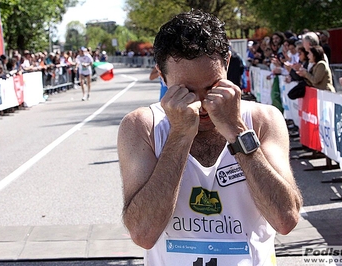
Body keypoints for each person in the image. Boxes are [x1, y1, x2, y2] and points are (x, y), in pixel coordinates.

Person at [118, 9, 302, 266]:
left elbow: (285, 219)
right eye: (186, 91)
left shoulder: (262, 120)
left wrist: (237, 131)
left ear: (227, 63)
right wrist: (180, 135)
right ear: (161, 75)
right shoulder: (141, 126)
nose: (202, 104)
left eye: (212, 87)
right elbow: (143, 234)